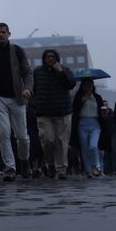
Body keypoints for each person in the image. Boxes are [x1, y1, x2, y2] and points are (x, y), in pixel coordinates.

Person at [0, 23, 32, 181]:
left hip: (17, 97)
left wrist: (28, 88)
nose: (1, 35)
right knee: (3, 133)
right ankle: (10, 168)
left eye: (3, 32)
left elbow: (27, 72)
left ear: (9, 33)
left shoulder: (17, 51)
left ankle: (24, 161)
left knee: (22, 137)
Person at [32, 49, 76, 180]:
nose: (50, 59)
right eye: (47, 56)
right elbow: (35, 89)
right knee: (47, 140)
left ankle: (61, 169)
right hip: (44, 112)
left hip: (62, 112)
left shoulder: (64, 69)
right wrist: (35, 105)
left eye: (52, 56)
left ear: (57, 58)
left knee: (61, 141)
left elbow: (71, 84)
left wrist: (60, 72)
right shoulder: (38, 72)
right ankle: (50, 163)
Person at [71, 78, 106, 178]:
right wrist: (83, 99)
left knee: (93, 146)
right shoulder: (79, 97)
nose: (88, 87)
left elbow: (101, 111)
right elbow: (75, 109)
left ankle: (96, 167)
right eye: (86, 85)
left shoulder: (97, 97)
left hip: (95, 124)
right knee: (84, 149)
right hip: (82, 123)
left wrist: (104, 115)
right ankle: (89, 171)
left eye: (90, 85)